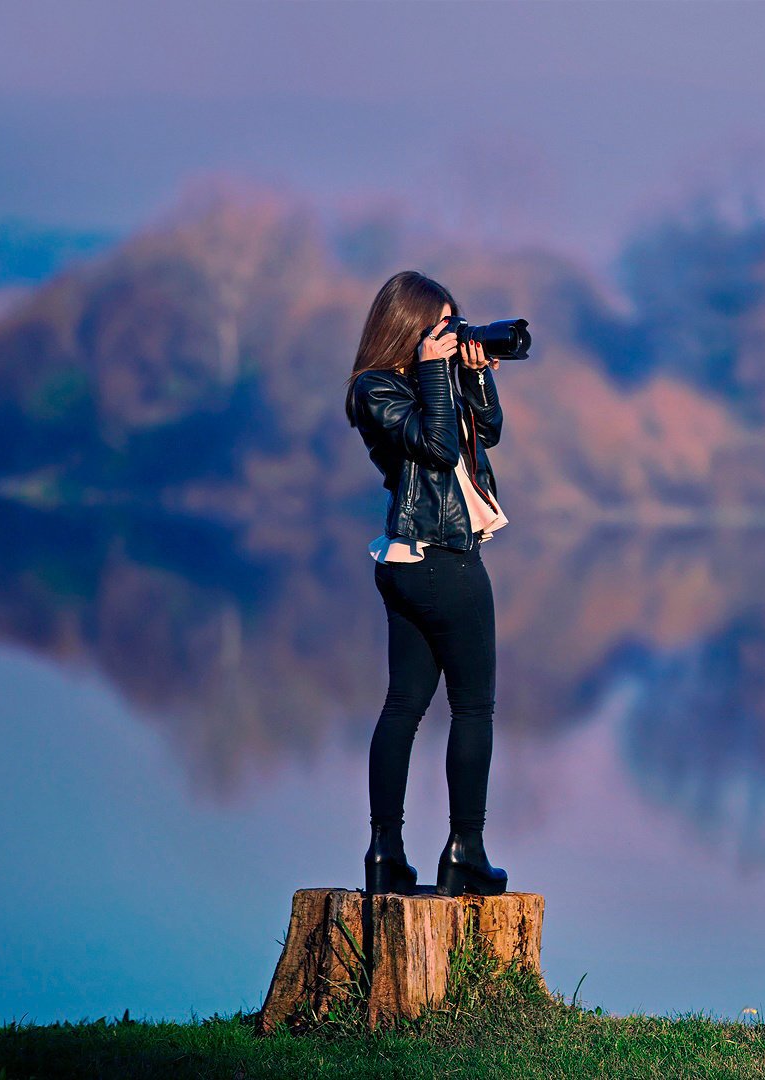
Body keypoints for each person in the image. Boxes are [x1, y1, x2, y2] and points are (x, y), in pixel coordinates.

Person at [342, 270, 510, 897]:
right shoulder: (375, 388)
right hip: (440, 559)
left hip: (412, 565)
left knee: (403, 705)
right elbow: (438, 449)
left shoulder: (422, 382)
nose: (449, 335)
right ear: (407, 328)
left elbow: (480, 436)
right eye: (440, 327)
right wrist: (440, 373)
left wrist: (477, 371)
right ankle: (464, 851)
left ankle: (386, 857)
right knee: (472, 708)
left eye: (452, 325)